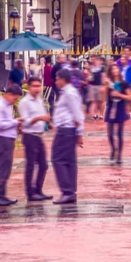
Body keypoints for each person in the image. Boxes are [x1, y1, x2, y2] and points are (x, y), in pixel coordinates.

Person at [51, 66, 85, 203]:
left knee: (58, 159)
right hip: (67, 130)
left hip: (66, 130)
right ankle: (70, 191)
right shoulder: (67, 92)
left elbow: (77, 114)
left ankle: (67, 190)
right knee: (70, 161)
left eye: (57, 79)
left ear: (63, 80)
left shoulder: (70, 93)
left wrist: (79, 133)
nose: (55, 82)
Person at [0, 81, 20, 207]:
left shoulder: (8, 106)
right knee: (2, 169)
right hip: (3, 140)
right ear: (8, 94)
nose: (14, 101)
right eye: (14, 98)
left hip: (9, 139)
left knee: (6, 169)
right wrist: (15, 122)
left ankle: (2, 194)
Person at [21, 75, 51, 201]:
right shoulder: (24, 103)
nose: (37, 89)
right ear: (29, 87)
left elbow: (43, 116)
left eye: (39, 86)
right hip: (29, 136)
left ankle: (38, 189)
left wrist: (49, 123)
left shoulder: (39, 100)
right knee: (30, 165)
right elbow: (25, 122)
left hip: (39, 136)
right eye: (34, 86)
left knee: (44, 165)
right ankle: (30, 193)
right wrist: (40, 118)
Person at [104, 65, 131, 165]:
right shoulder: (109, 83)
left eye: (116, 68)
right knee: (110, 134)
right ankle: (113, 149)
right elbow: (104, 96)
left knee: (119, 133)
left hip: (120, 107)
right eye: (113, 69)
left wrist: (119, 95)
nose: (115, 70)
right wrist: (105, 87)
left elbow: (130, 96)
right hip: (111, 107)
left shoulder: (123, 83)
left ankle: (119, 155)